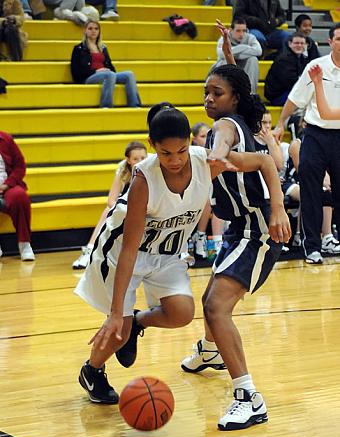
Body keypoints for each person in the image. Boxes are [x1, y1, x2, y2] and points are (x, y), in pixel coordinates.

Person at [75, 101, 287, 407]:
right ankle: (92, 370)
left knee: (181, 313)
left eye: (182, 150)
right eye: (165, 153)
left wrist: (278, 208)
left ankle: (137, 323)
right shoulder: (142, 181)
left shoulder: (207, 162)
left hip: (168, 253)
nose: (175, 160)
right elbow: (130, 250)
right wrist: (115, 312)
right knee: (117, 328)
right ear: (152, 147)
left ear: (191, 143)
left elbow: (266, 163)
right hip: (122, 252)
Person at [180, 61, 291, 431]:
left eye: (217, 93)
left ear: (234, 98)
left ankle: (249, 397)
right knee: (209, 298)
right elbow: (257, 157)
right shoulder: (244, 122)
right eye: (206, 92)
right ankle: (211, 351)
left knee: (216, 306)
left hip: (257, 231)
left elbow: (260, 160)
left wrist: (278, 209)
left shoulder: (225, 127)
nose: (208, 99)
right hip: (238, 227)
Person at [274, 23, 340, 264]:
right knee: (311, 190)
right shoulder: (316, 67)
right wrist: (281, 123)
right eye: (339, 39)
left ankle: (333, 239)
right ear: (330, 42)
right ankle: (312, 246)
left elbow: (328, 111)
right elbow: (294, 98)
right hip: (315, 135)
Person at [72, 141, 147, 270]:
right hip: (127, 208)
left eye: (142, 158)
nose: (140, 161)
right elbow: (111, 200)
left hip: (147, 209)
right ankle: (89, 251)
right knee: (108, 210)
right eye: (135, 159)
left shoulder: (152, 168)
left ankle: (179, 252)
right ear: (128, 160)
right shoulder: (123, 170)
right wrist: (126, 210)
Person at [71, 20, 141, 108]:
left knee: (129, 74)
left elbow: (110, 67)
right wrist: (96, 71)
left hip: (106, 74)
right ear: (85, 30)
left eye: (96, 29)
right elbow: (76, 71)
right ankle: (106, 106)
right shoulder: (79, 48)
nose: (93, 31)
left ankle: (134, 105)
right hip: (88, 77)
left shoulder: (103, 48)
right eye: (90, 29)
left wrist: (107, 71)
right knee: (109, 75)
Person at [191, 122, 225, 259]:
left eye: (209, 136)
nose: (206, 139)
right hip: (191, 193)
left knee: (218, 197)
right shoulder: (190, 153)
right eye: (203, 136)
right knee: (207, 199)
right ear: (194, 139)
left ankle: (217, 241)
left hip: (209, 194)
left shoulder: (214, 154)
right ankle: (199, 236)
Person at [0, 131, 35, 261]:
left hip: (7, 185)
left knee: (20, 196)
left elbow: (20, 166)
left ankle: (25, 244)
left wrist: (7, 185)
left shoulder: (6, 139)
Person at [215, 17, 262, 94]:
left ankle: (250, 94)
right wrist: (243, 47)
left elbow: (259, 51)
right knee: (224, 60)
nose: (241, 34)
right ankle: (222, 93)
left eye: (244, 31)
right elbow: (221, 54)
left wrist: (234, 53)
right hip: (227, 68)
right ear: (231, 30)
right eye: (238, 31)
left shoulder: (250, 37)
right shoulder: (225, 37)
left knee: (253, 59)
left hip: (243, 68)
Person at [264, 32, 308, 106]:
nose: (299, 45)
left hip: (289, 92)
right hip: (279, 96)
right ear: (290, 44)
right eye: (296, 43)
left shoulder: (301, 58)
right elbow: (292, 82)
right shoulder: (284, 60)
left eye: (302, 43)